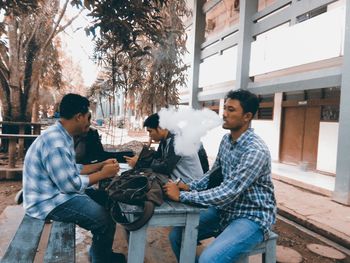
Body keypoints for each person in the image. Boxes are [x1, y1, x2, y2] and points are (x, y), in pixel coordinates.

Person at [163, 89, 277, 263]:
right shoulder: (226, 140)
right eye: (225, 108)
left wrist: (182, 196)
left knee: (208, 260)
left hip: (251, 216)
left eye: (231, 110)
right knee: (177, 236)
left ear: (247, 117)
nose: (224, 114)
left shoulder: (255, 151)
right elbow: (214, 174)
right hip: (225, 210)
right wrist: (190, 186)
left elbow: (228, 191)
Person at [22, 93, 125, 263]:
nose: (89, 122)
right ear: (79, 117)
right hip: (46, 202)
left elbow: (73, 169)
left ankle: (100, 254)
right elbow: (70, 185)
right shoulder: (56, 143)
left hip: (54, 193)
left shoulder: (62, 135)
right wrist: (103, 174)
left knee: (107, 200)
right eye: (88, 117)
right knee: (104, 220)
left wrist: (100, 165)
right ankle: (101, 259)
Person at [124, 113, 206, 184]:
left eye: (150, 131)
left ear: (160, 127)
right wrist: (140, 158)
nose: (149, 135)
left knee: (143, 180)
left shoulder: (177, 140)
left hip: (189, 183)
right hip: (178, 180)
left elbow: (165, 168)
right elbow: (157, 156)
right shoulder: (166, 138)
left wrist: (139, 163)